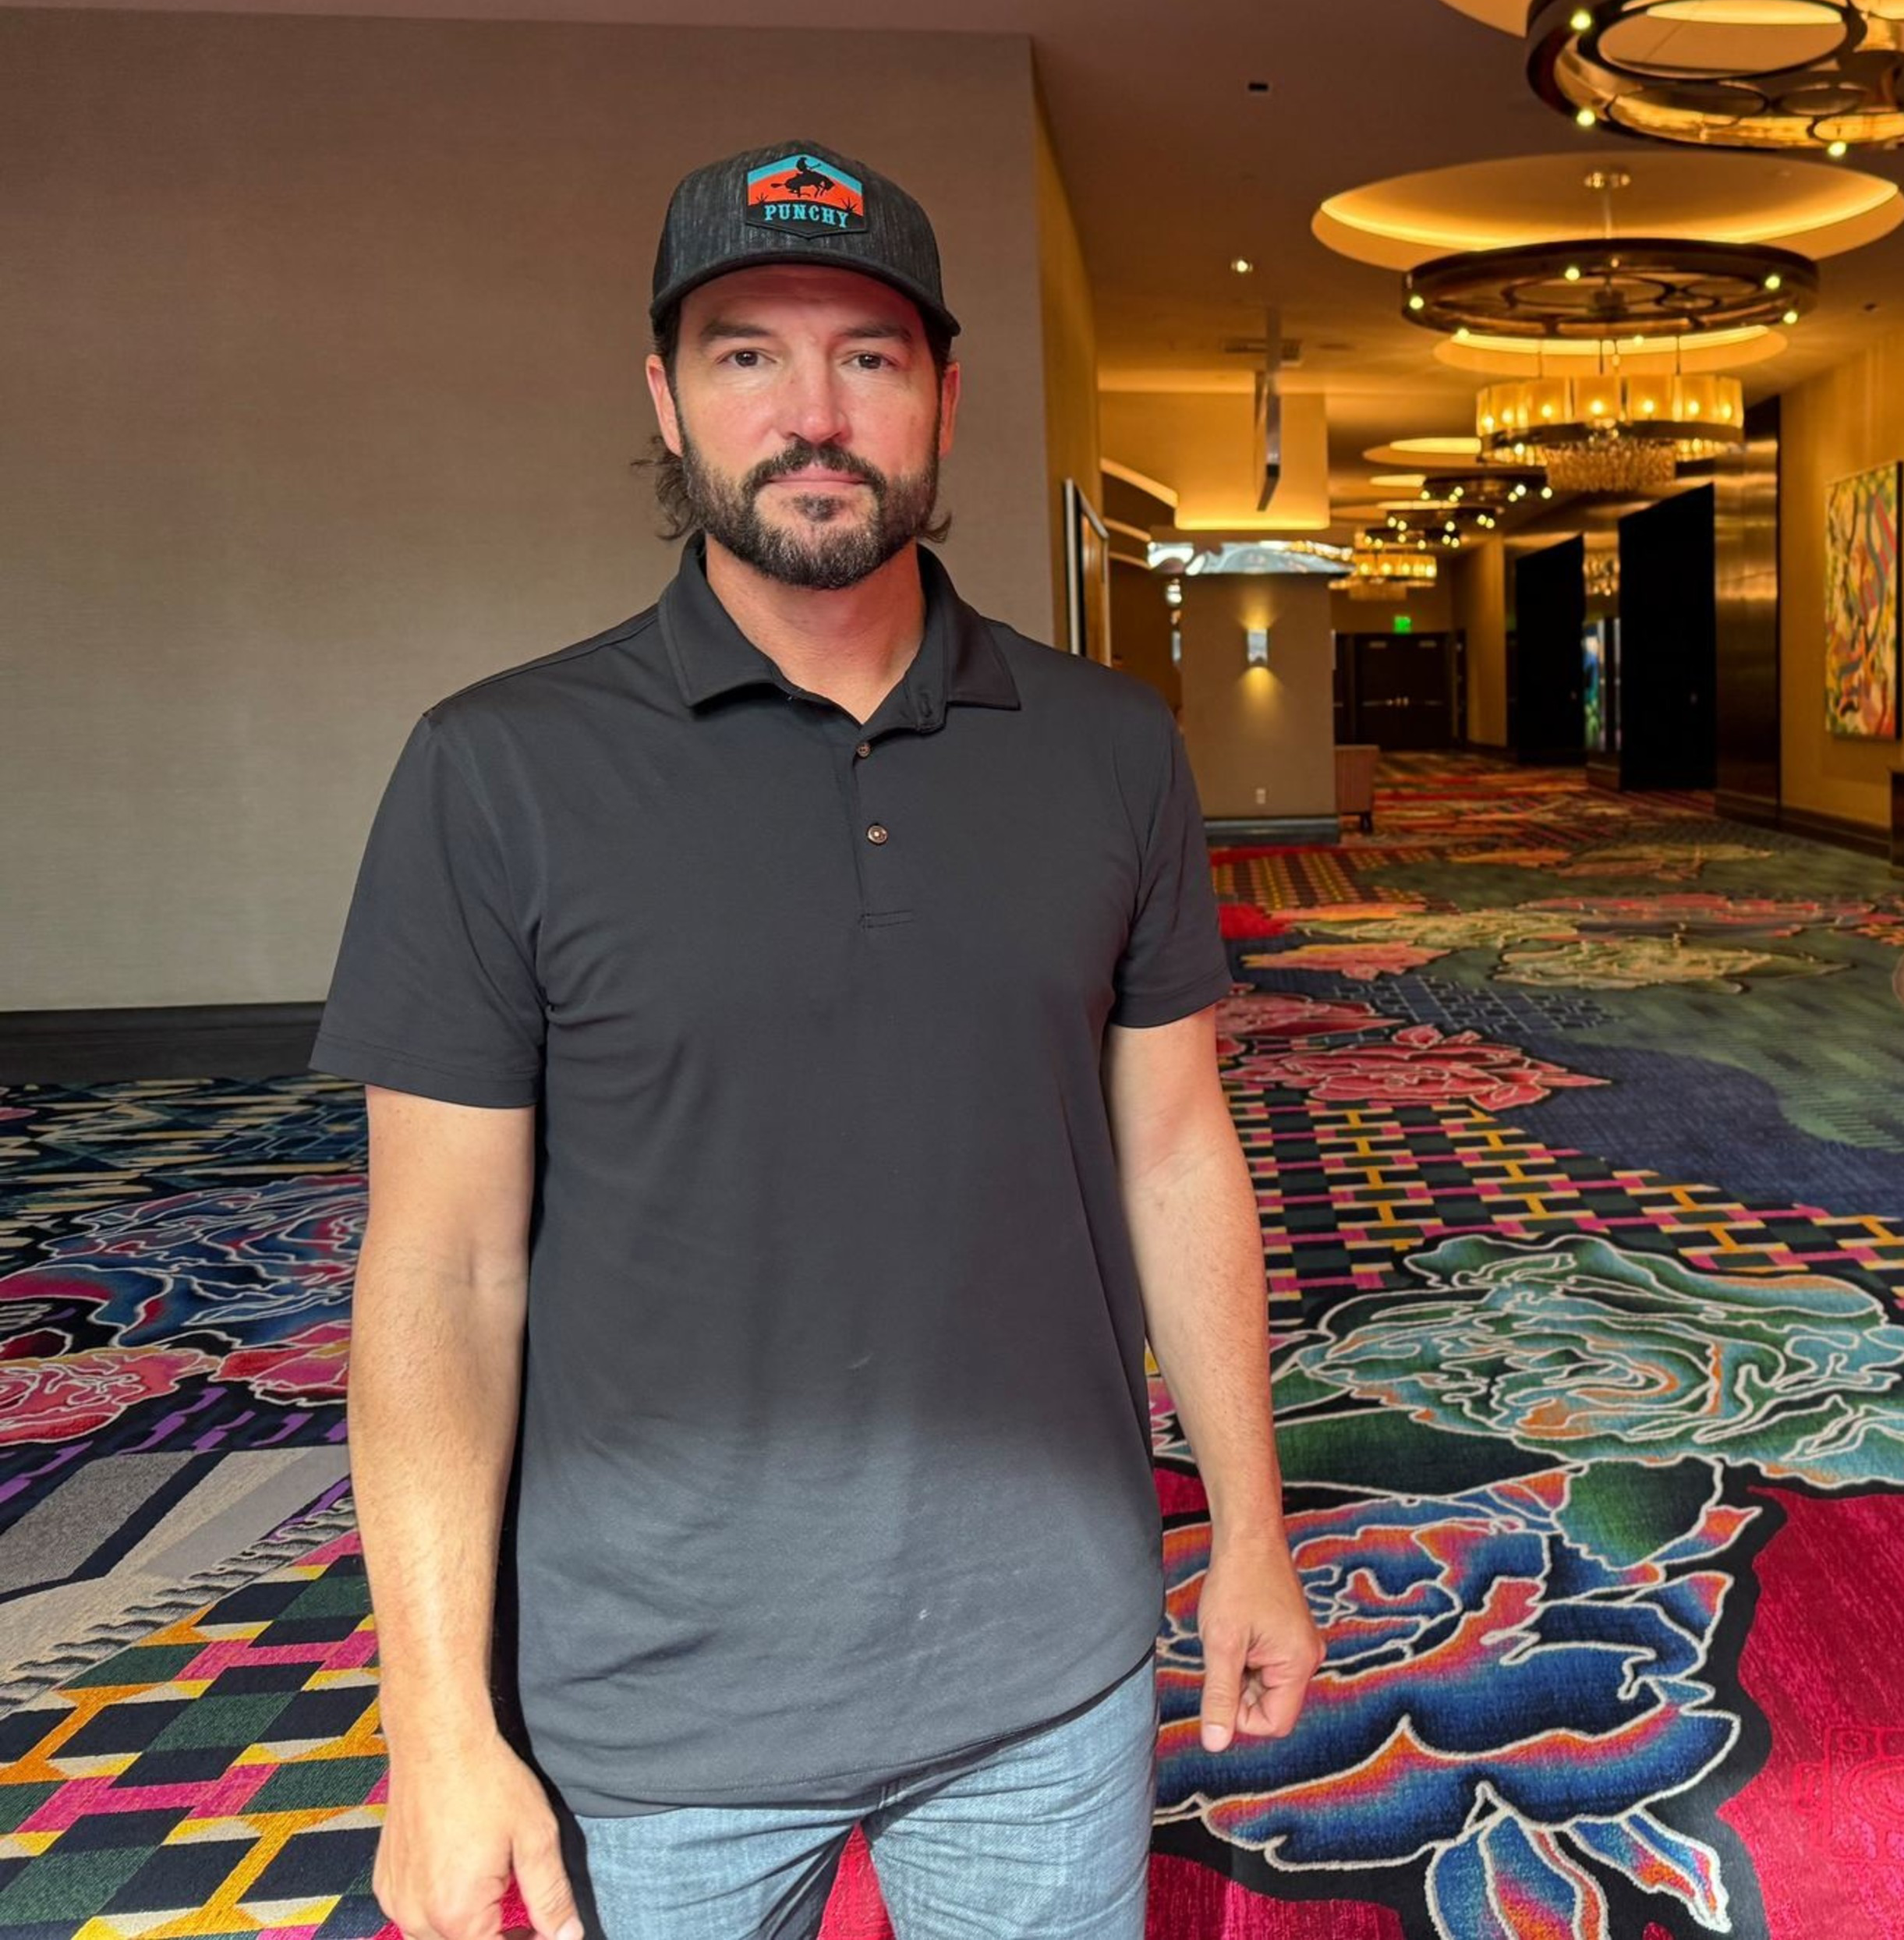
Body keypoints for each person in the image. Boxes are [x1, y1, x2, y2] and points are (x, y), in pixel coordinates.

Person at [316, 140, 1323, 1940]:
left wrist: (1249, 1521)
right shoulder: (498, 770)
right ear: (666, 396)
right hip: (646, 1703)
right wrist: (435, 1722)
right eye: (744, 353)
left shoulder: (1107, 749)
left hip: (1043, 1661)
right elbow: (442, 1267)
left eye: (865, 354)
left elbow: (1174, 1152)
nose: (811, 411)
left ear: (943, 392)